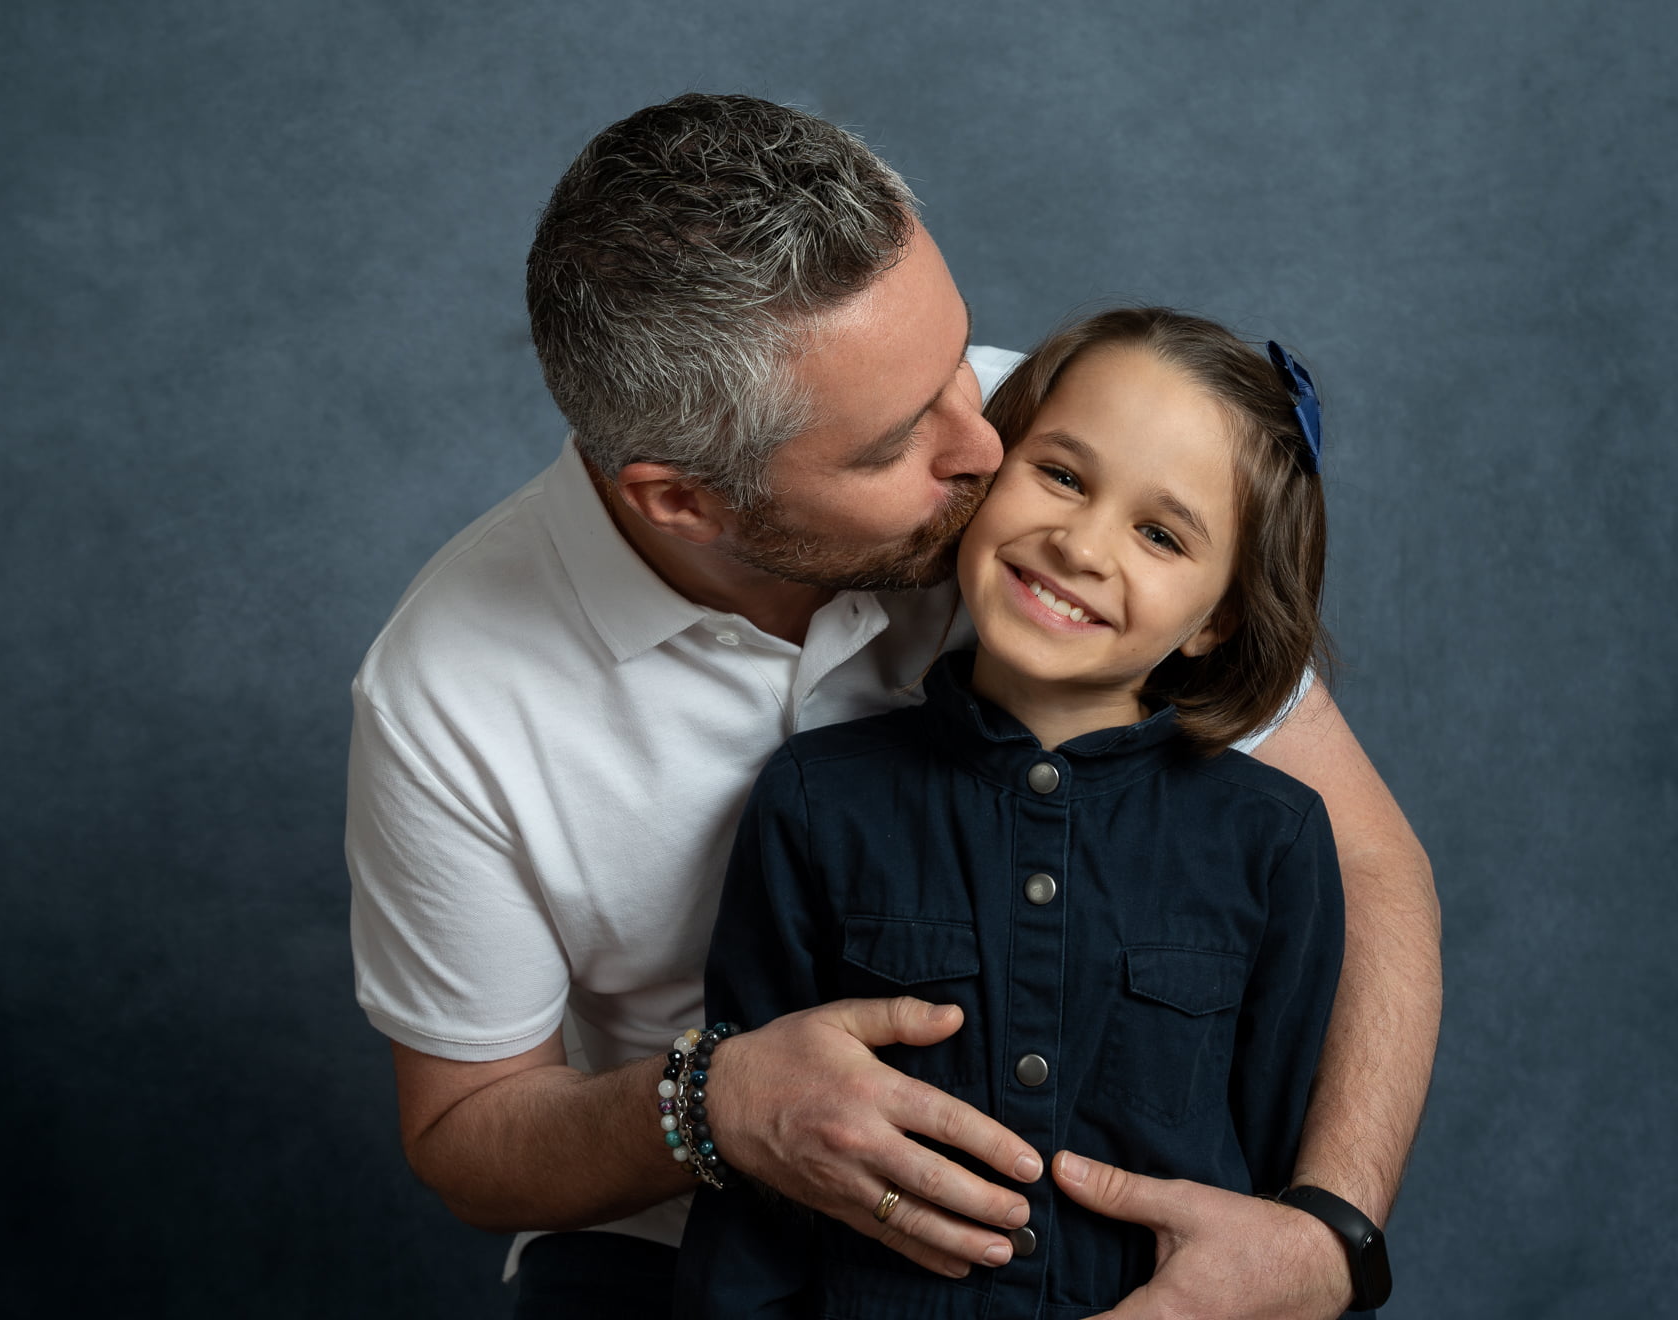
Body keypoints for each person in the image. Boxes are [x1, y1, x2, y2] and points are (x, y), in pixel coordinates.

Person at [346, 93, 1439, 1319]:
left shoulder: (1053, 449)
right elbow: (465, 1132)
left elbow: (1370, 865)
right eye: (896, 444)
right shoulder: (448, 692)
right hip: (679, 1238)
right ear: (685, 502)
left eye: (965, 366)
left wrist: (1328, 1236)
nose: (984, 446)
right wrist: (719, 1106)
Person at [675, 308, 1351, 1319]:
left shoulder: (1273, 840)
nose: (1080, 544)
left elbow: (1281, 1198)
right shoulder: (815, 799)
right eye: (1064, 476)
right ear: (985, 476)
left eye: (1160, 534)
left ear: (1217, 618)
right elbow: (764, 1165)